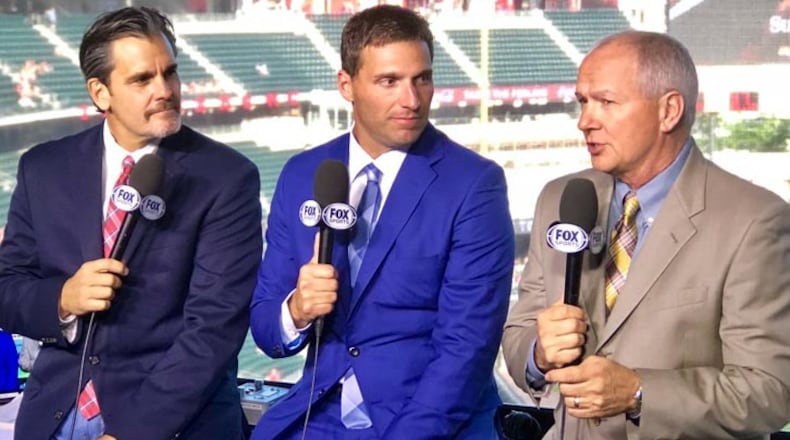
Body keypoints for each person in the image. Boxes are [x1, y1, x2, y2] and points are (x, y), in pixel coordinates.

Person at [502, 30, 790, 439]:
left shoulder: (754, 220)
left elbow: (770, 391)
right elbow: (519, 335)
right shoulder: (561, 199)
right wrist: (539, 354)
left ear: (668, 111)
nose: (586, 120)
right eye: (583, 102)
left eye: (606, 102)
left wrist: (638, 392)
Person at [250, 5, 514, 439]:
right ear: (346, 85)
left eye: (422, 79)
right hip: (319, 414)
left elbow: (464, 352)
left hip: (427, 420)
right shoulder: (302, 174)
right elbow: (265, 326)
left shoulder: (474, 184)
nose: (411, 100)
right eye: (389, 81)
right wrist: (296, 310)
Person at [0, 7, 262, 440]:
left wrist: (133, 433)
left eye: (170, 73)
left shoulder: (226, 177)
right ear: (101, 93)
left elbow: (213, 329)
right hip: (53, 417)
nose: (165, 90)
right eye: (142, 80)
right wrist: (62, 298)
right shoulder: (42, 168)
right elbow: (8, 288)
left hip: (171, 423)